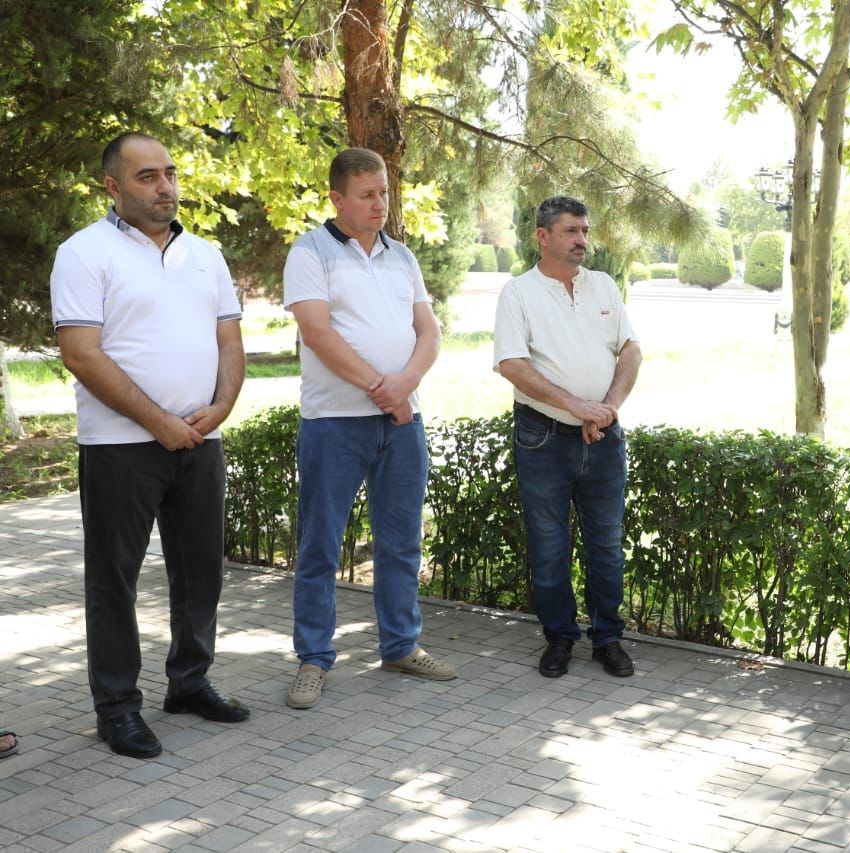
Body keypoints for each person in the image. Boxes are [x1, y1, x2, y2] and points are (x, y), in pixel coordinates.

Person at [51, 132, 251, 759]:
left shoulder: (206, 255)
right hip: (119, 447)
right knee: (115, 581)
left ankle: (189, 684)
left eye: (169, 173)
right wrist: (159, 421)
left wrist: (220, 408)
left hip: (201, 440)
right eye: (147, 177)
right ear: (113, 186)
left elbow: (229, 341)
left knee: (201, 572)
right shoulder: (83, 253)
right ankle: (117, 709)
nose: (165, 186)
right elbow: (81, 354)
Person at [283, 147, 455, 710]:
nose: (380, 203)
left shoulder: (402, 256)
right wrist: (384, 389)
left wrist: (404, 385)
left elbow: (429, 333)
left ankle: (400, 645)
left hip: (403, 424)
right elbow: (318, 333)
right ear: (337, 198)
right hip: (334, 424)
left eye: (384, 192)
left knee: (402, 541)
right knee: (320, 544)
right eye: (367, 195)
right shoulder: (309, 252)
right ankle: (313, 659)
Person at [493, 195, 642, 679]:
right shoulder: (518, 293)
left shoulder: (603, 286)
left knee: (606, 545)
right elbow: (512, 365)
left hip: (604, 437)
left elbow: (630, 350)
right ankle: (559, 638)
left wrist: (608, 408)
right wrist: (577, 406)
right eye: (571, 231)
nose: (582, 240)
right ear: (543, 236)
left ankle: (608, 639)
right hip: (543, 438)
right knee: (549, 546)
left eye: (584, 230)